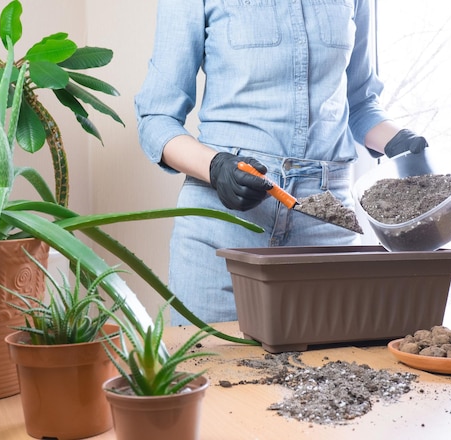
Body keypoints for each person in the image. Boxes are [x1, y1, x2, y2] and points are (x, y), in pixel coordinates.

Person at [135, 0, 428, 325]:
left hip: (324, 223)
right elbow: (157, 118)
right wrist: (217, 168)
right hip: (223, 223)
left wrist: (398, 141)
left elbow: (359, 102)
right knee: (208, 366)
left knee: (336, 370)